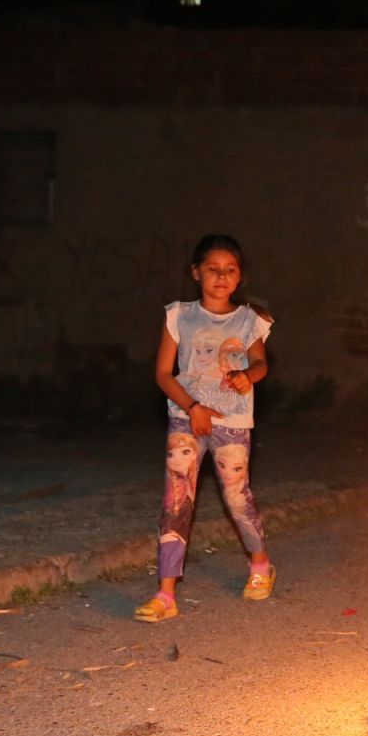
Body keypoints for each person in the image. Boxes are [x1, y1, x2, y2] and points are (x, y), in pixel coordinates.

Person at [135, 234, 275, 622]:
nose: (221, 276)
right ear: (196, 273)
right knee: (176, 502)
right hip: (186, 417)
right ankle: (166, 594)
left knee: (235, 497)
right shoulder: (178, 315)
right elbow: (164, 373)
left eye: (230, 270)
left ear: (240, 276)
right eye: (212, 269)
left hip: (232, 421)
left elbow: (261, 364)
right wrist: (193, 407)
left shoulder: (251, 320)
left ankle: (261, 565)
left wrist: (250, 376)